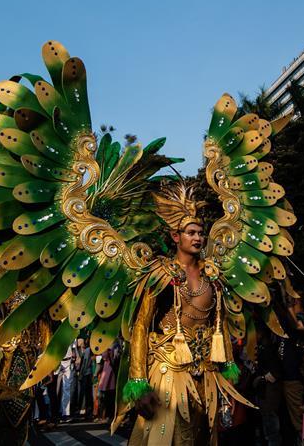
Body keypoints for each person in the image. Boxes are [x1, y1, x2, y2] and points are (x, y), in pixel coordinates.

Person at [112, 181, 254, 445]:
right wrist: (139, 383)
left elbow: (218, 328)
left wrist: (226, 376)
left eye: (201, 232)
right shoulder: (160, 274)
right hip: (168, 373)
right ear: (176, 236)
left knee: (201, 438)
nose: (198, 238)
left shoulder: (212, 276)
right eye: (191, 232)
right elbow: (141, 326)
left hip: (206, 375)